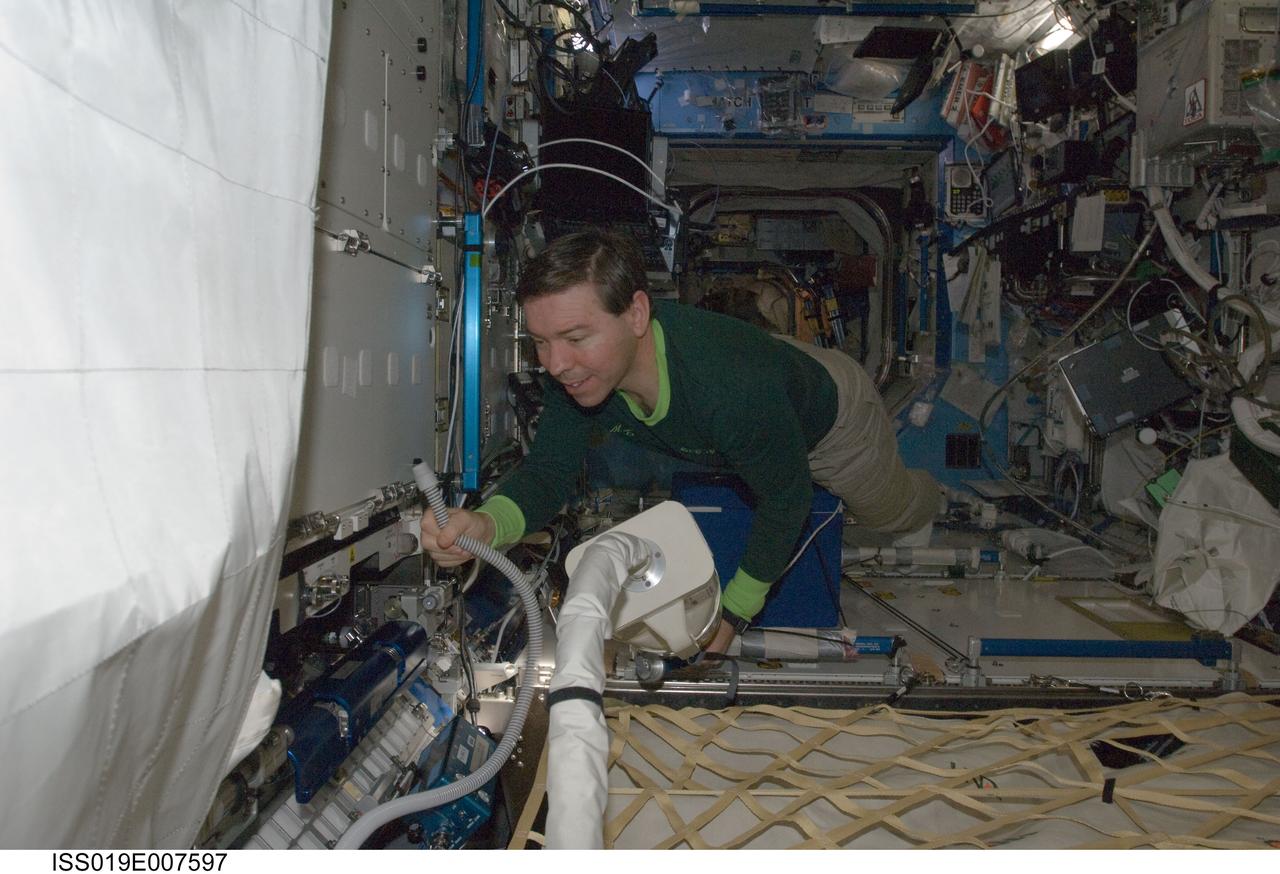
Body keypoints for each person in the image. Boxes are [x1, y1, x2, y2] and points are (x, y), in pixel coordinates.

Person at [421, 229, 940, 653]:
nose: (555, 364)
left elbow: (787, 500)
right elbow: (548, 473)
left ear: (637, 315)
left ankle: (941, 496)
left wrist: (734, 615)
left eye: (576, 338)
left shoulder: (731, 390)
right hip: (755, 385)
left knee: (889, 512)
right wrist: (488, 524)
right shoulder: (577, 376)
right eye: (540, 342)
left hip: (833, 418)